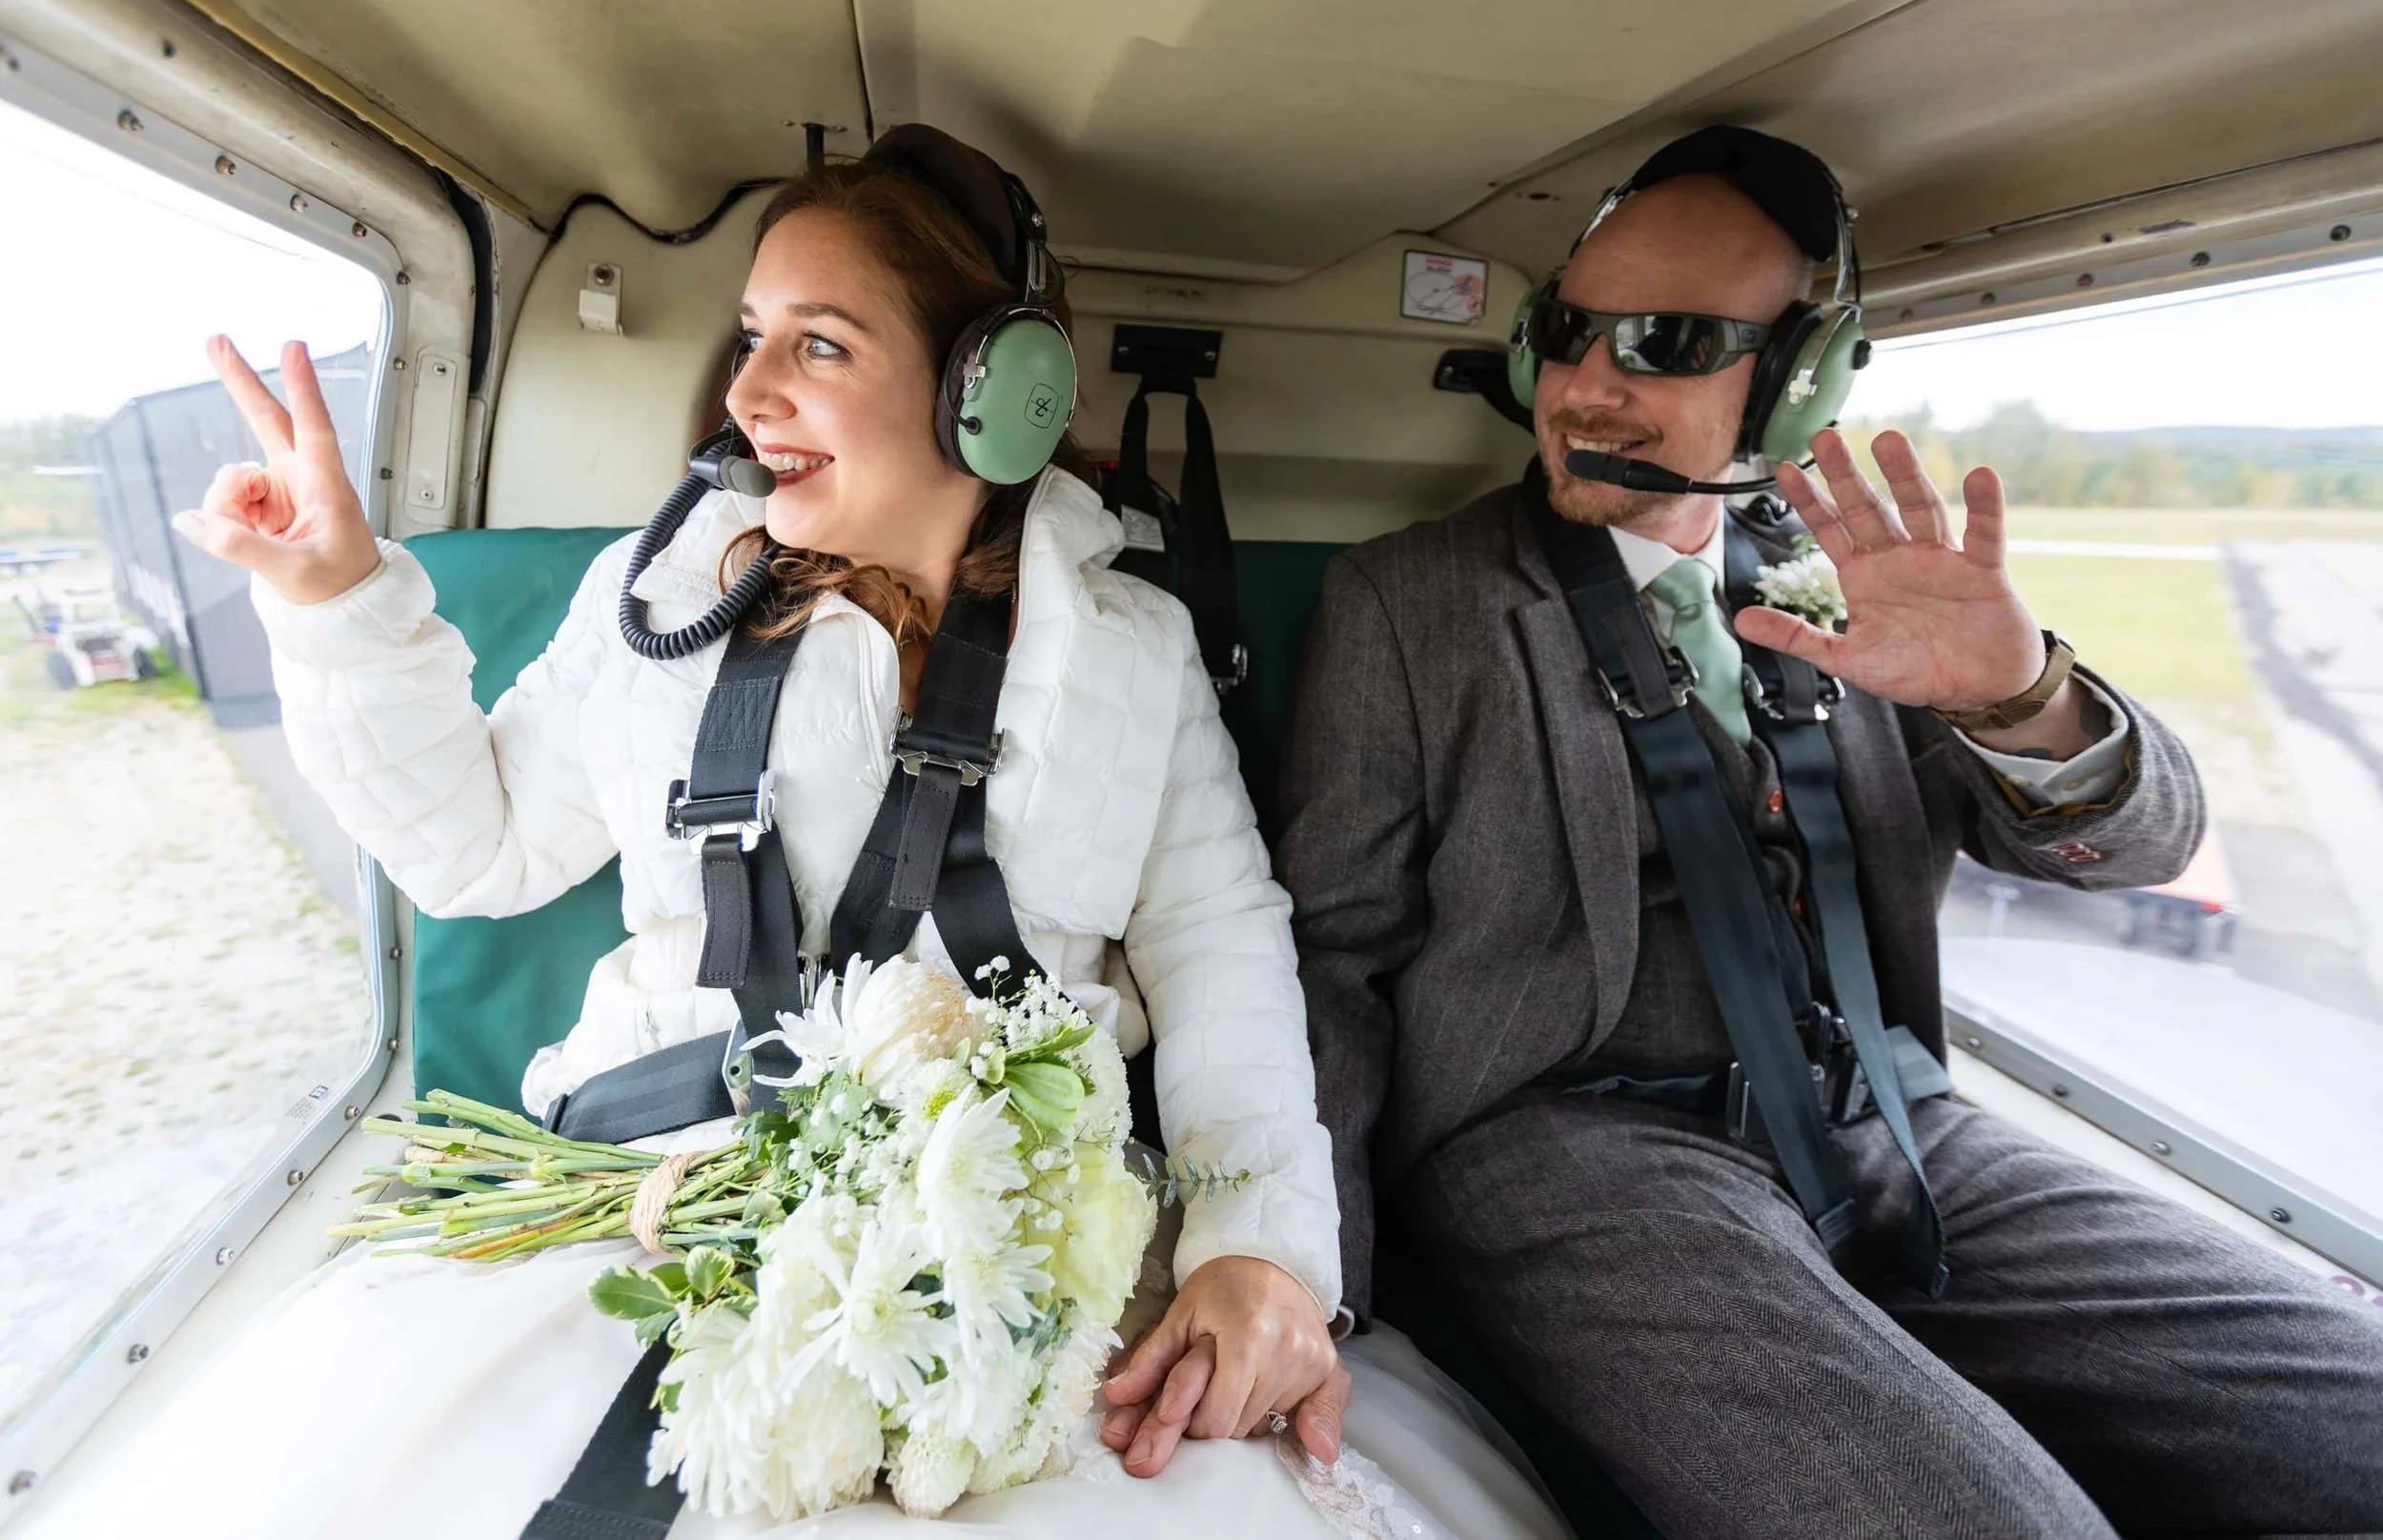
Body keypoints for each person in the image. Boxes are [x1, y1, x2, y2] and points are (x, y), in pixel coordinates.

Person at [24, 129, 1565, 1540]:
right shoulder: (658, 604)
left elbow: (1227, 963)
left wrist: (1262, 1249)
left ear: (996, 389)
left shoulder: (1134, 656)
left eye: (818, 344)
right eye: (752, 336)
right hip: (646, 1201)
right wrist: (337, 600)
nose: (749, 394)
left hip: (1024, 1253)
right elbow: (470, 848)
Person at [1278, 124, 2383, 1539]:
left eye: (1669, 340)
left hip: (1900, 1119)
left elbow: (2143, 842)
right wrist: (1316, 1282)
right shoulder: (1410, 602)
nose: (1588, 384)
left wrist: (2018, 692)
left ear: (1794, 384)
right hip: (1568, 1150)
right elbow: (1328, 960)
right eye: (1570, 331)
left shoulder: (1865, 593)